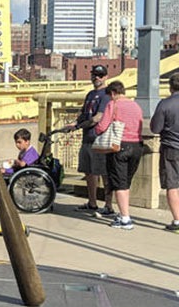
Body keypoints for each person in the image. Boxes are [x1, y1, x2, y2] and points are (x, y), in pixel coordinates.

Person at [94, 80, 143, 230]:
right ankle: (124, 213)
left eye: (110, 96)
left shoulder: (113, 104)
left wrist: (96, 131)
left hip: (119, 146)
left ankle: (125, 218)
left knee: (119, 183)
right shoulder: (136, 105)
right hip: (137, 145)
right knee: (126, 181)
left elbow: (102, 126)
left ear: (113, 93)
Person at [68, 64, 114, 217]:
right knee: (88, 171)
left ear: (106, 77)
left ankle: (108, 205)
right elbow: (84, 114)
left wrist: (80, 126)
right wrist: (75, 123)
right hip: (87, 138)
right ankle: (92, 202)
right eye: (94, 75)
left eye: (100, 75)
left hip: (100, 139)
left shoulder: (106, 95)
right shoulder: (90, 94)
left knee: (104, 172)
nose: (97, 78)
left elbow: (98, 118)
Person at [150, 72, 179, 232]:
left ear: (170, 87)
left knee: (172, 185)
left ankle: (177, 220)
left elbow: (155, 128)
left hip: (171, 148)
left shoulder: (165, 104)